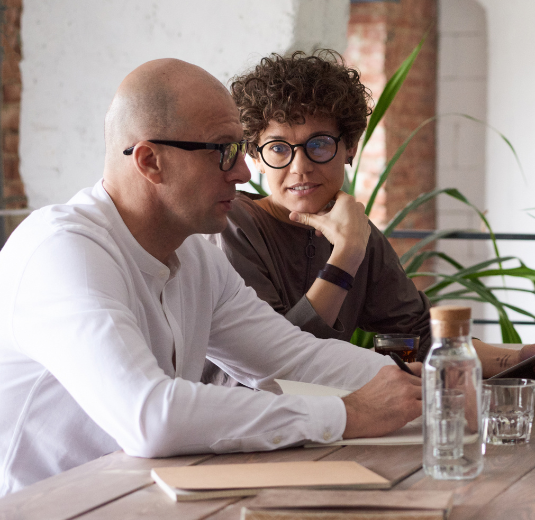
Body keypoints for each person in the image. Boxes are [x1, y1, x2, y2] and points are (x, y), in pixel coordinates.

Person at [0, 59, 422, 495]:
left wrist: (429, 395)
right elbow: (151, 417)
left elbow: (294, 358)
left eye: (241, 150)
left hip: (141, 499)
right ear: (150, 161)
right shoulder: (63, 251)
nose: (242, 174)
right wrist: (346, 414)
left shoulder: (195, 256)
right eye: (223, 151)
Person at [210, 50, 535, 386]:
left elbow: (423, 336)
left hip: (323, 427)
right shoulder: (232, 226)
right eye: (278, 148)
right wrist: (346, 254)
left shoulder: (357, 232)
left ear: (349, 147)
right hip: (236, 439)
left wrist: (519, 358)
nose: (299, 167)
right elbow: (284, 368)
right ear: (255, 156)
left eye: (319, 144)